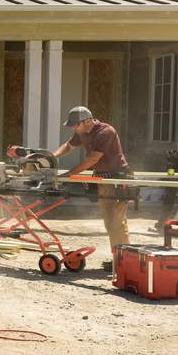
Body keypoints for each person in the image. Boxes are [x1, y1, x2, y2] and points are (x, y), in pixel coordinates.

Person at [51, 106, 131, 268]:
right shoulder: (83, 132)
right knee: (109, 221)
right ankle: (118, 259)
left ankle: (125, 262)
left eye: (75, 125)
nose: (74, 128)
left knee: (117, 222)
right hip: (103, 178)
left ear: (87, 121)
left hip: (118, 178)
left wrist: (69, 174)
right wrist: (51, 156)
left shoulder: (105, 132)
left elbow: (92, 160)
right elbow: (68, 146)